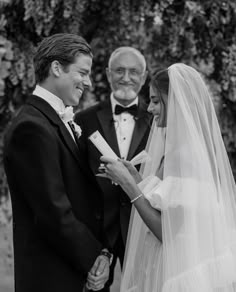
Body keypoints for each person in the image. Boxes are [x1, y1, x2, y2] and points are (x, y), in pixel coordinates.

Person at [101, 63, 236, 291]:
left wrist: (127, 185)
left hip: (177, 271)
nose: (150, 109)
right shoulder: (176, 150)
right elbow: (165, 204)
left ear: (175, 102)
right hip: (162, 263)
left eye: (156, 101)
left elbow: (168, 232)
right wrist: (134, 176)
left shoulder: (186, 156)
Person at [3, 33, 112, 292]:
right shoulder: (31, 127)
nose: (87, 82)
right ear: (56, 68)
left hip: (69, 272)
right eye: (82, 72)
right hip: (50, 277)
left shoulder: (52, 119)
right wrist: (95, 257)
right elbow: (53, 211)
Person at [74, 47, 152, 291]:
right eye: (119, 70)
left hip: (143, 226)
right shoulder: (83, 119)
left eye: (133, 71)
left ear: (144, 75)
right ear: (108, 74)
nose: (126, 77)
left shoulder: (159, 119)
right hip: (96, 229)